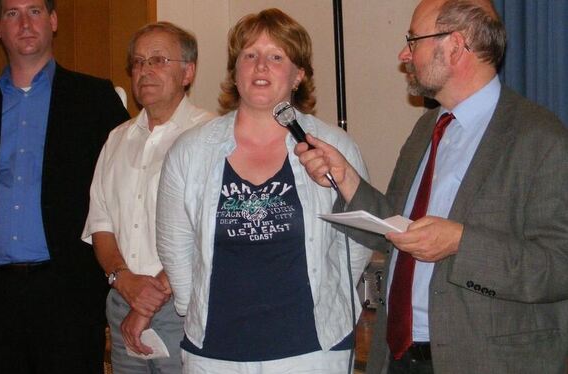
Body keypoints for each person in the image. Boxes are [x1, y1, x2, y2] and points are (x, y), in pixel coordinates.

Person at [296, 0, 568, 373]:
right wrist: (346, 179)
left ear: (455, 45)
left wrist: (460, 242)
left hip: (483, 361)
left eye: (414, 40)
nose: (404, 53)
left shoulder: (539, 137)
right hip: (398, 357)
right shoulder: (427, 128)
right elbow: (397, 232)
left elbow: (558, 266)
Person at [156, 8, 372, 373]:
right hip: (215, 350)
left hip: (311, 349)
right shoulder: (190, 151)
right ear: (235, 72)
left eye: (276, 57)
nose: (260, 66)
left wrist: (328, 293)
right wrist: (195, 306)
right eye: (249, 55)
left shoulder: (334, 146)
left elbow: (360, 240)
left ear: (298, 75)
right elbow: (175, 247)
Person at [0, 0, 130, 372]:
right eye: (12, 13)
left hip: (69, 293)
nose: (25, 23)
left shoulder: (95, 99)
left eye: (35, 11)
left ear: (53, 20)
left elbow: (124, 190)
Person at [82, 21, 214, 373]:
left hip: (183, 306)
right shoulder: (117, 139)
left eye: (158, 60)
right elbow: (101, 224)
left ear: (188, 72)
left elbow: (208, 229)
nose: (145, 71)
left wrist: (149, 299)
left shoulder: (211, 136)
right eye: (138, 63)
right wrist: (122, 280)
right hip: (122, 299)